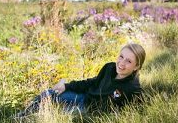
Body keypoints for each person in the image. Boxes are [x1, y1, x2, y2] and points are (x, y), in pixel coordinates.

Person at [16, 44, 146, 117]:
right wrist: (67, 86)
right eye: (121, 56)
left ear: (136, 66)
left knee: (54, 115)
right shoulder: (109, 67)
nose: (121, 63)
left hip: (89, 112)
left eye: (128, 61)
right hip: (85, 98)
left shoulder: (133, 88)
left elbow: (138, 111)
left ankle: (32, 118)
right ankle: (22, 115)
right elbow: (92, 82)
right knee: (49, 94)